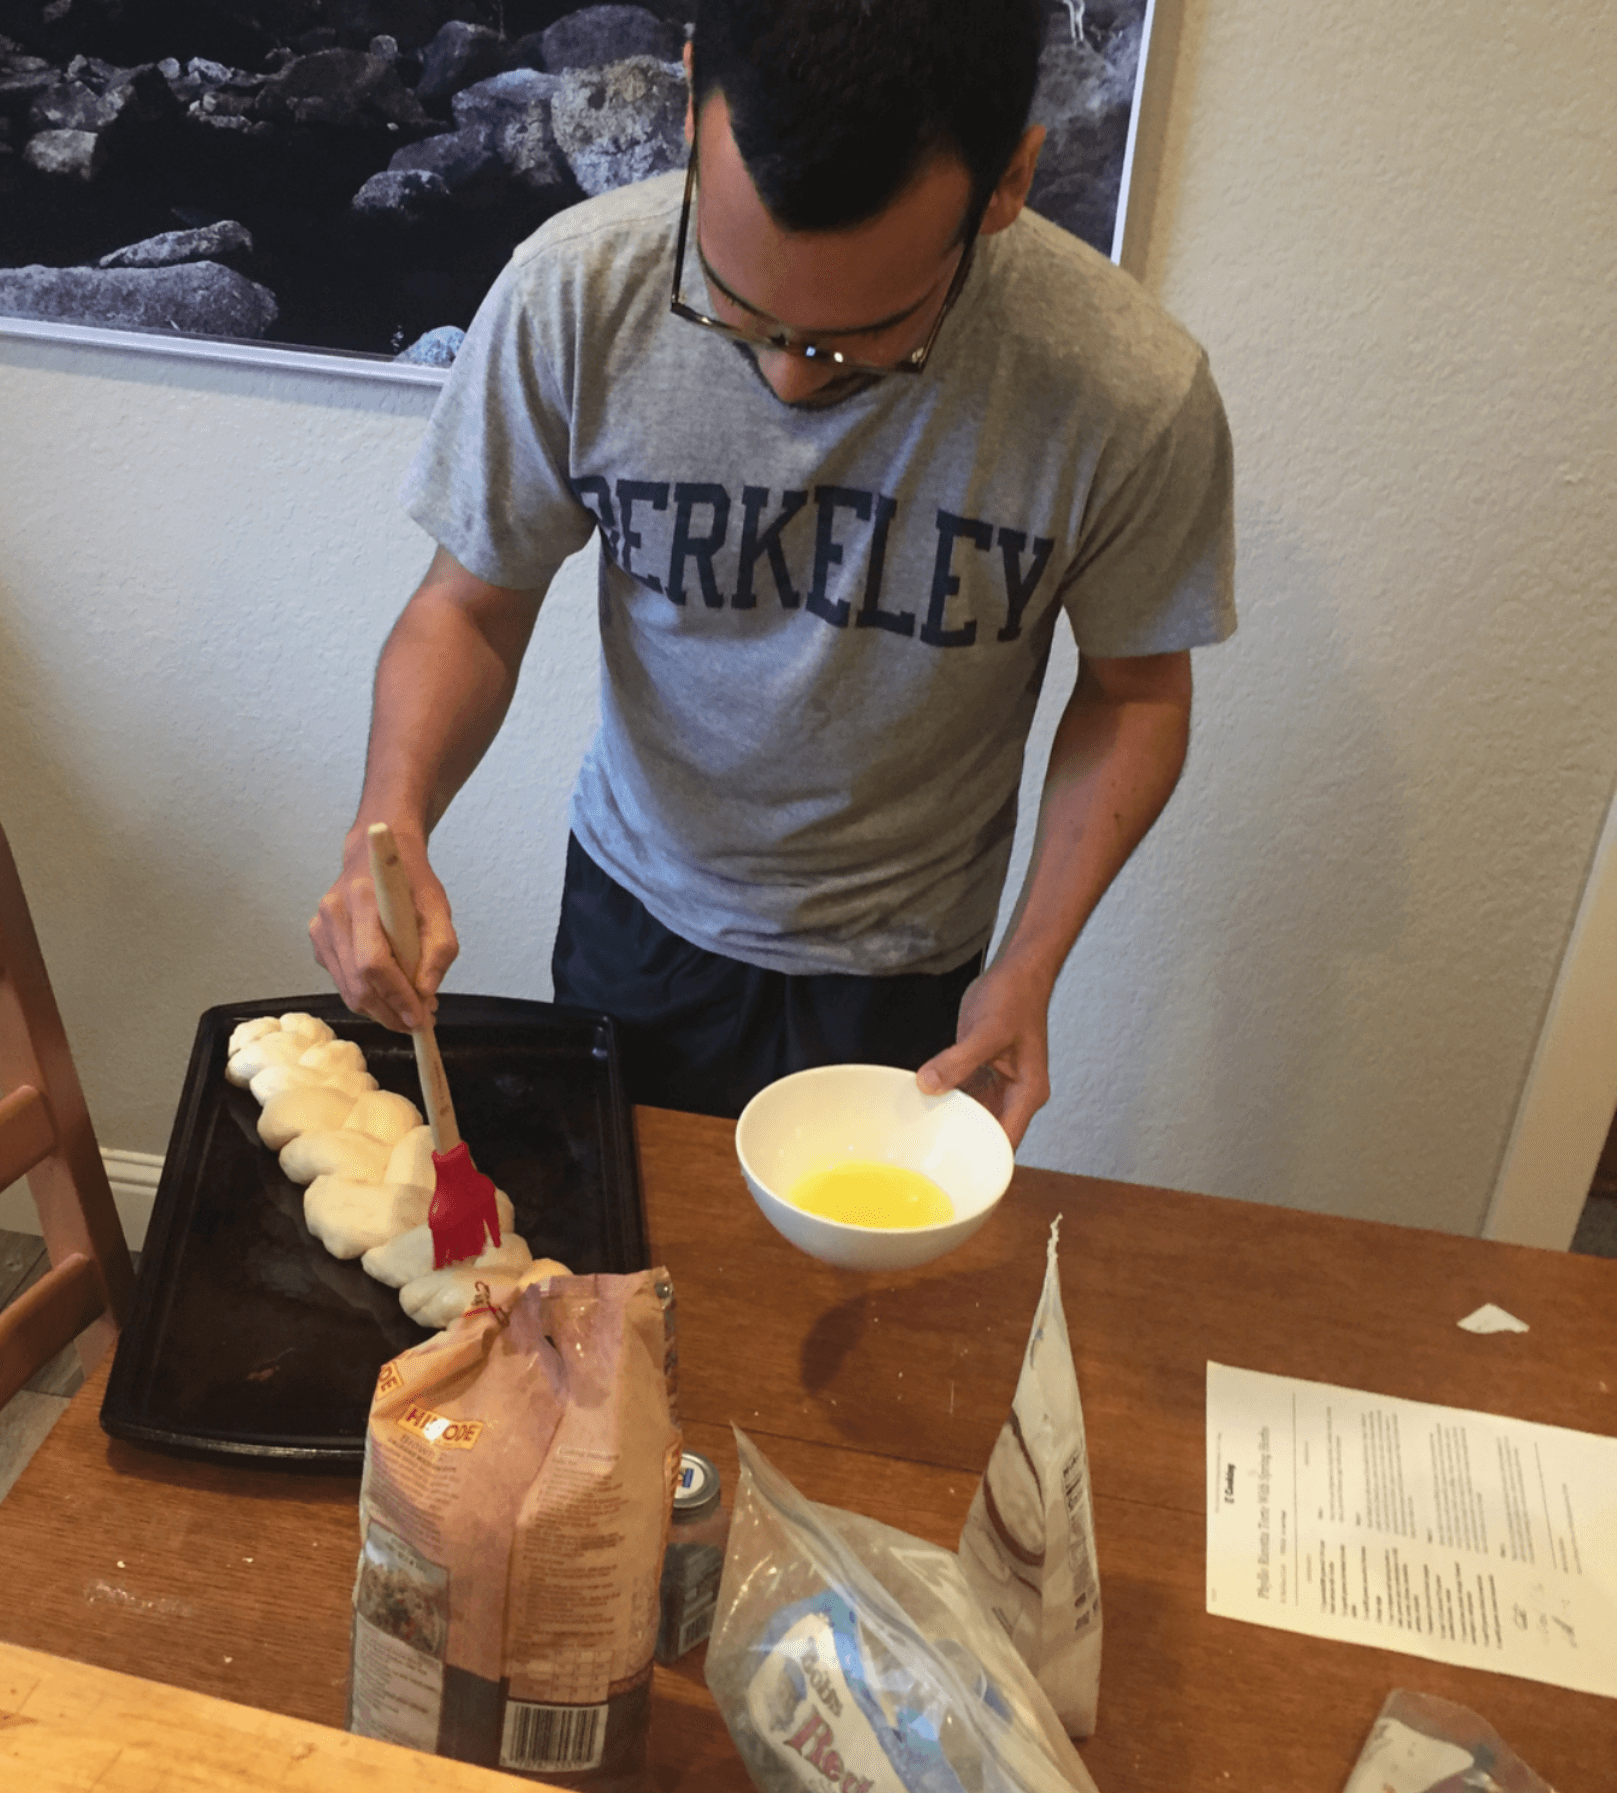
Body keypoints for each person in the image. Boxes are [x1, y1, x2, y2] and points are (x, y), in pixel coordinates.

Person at [310, 0, 1236, 1149]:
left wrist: (1031, 964)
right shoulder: (577, 292)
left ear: (1009, 183)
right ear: (692, 98)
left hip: (909, 971)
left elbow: (1137, 692)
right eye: (737, 311)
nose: (790, 386)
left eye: (863, 338)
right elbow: (469, 609)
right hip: (634, 920)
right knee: (611, 1278)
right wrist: (385, 825)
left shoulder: (1126, 391)